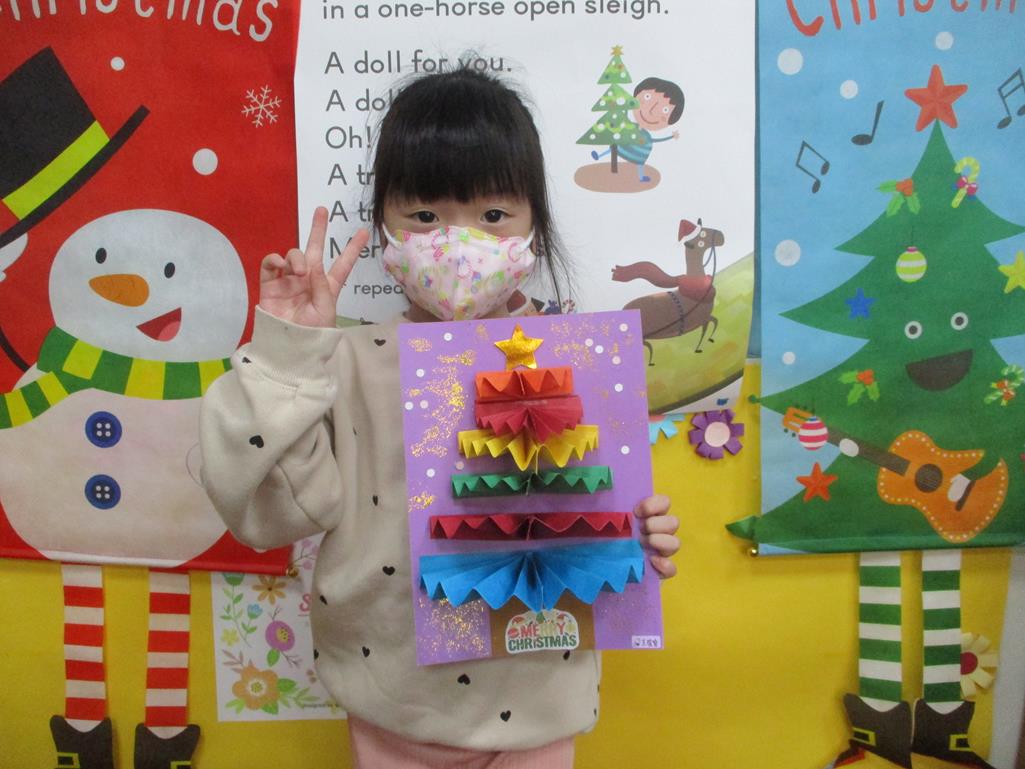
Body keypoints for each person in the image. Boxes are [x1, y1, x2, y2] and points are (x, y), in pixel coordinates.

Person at [200, 67, 680, 769]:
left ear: (534, 226)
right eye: (425, 216)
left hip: (539, 697)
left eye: (493, 215)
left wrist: (637, 534)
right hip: (392, 701)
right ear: (384, 228)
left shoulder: (580, 358)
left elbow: (596, 508)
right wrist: (288, 352)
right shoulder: (348, 362)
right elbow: (269, 513)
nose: (457, 241)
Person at [590, 76, 684, 182]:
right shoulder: (629, 126)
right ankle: (599, 155)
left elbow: (656, 140)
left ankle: (641, 177)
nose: (651, 111)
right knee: (614, 148)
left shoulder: (646, 137)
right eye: (647, 97)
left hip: (639, 154)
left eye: (665, 109)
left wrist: (671, 137)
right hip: (623, 146)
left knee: (638, 162)